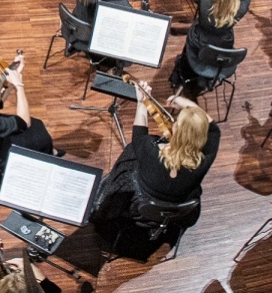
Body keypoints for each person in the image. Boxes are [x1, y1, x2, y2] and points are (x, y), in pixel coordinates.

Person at [91, 94, 219, 251]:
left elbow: (138, 135)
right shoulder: (204, 160)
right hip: (177, 211)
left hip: (138, 208)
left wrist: (141, 102)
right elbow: (214, 129)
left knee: (130, 157)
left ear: (176, 130)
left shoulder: (151, 151)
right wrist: (189, 105)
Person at [172, 0, 250, 94]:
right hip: (222, 49)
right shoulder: (240, 8)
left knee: (192, 32)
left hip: (199, 46)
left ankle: (186, 68)